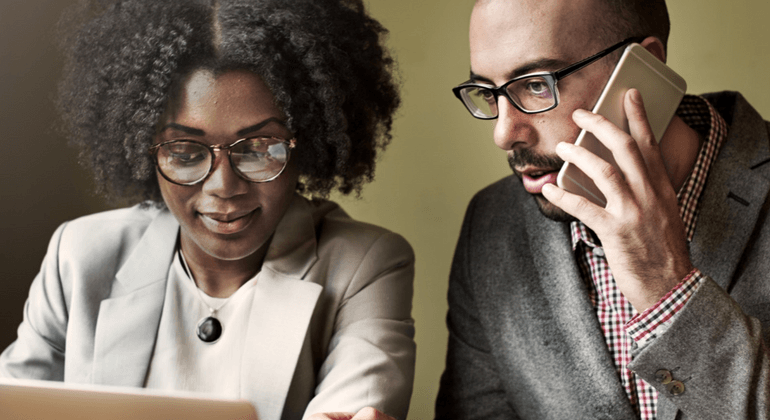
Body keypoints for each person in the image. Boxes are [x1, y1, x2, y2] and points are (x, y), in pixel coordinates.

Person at [0, 1, 415, 419]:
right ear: (144, 149)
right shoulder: (79, 255)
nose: (223, 187)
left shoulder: (365, 266)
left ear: (306, 142)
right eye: (185, 151)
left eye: (258, 149)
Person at [436, 0, 770, 418]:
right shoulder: (491, 224)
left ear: (645, 67)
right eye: (488, 93)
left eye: (537, 85)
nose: (503, 134)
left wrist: (666, 288)